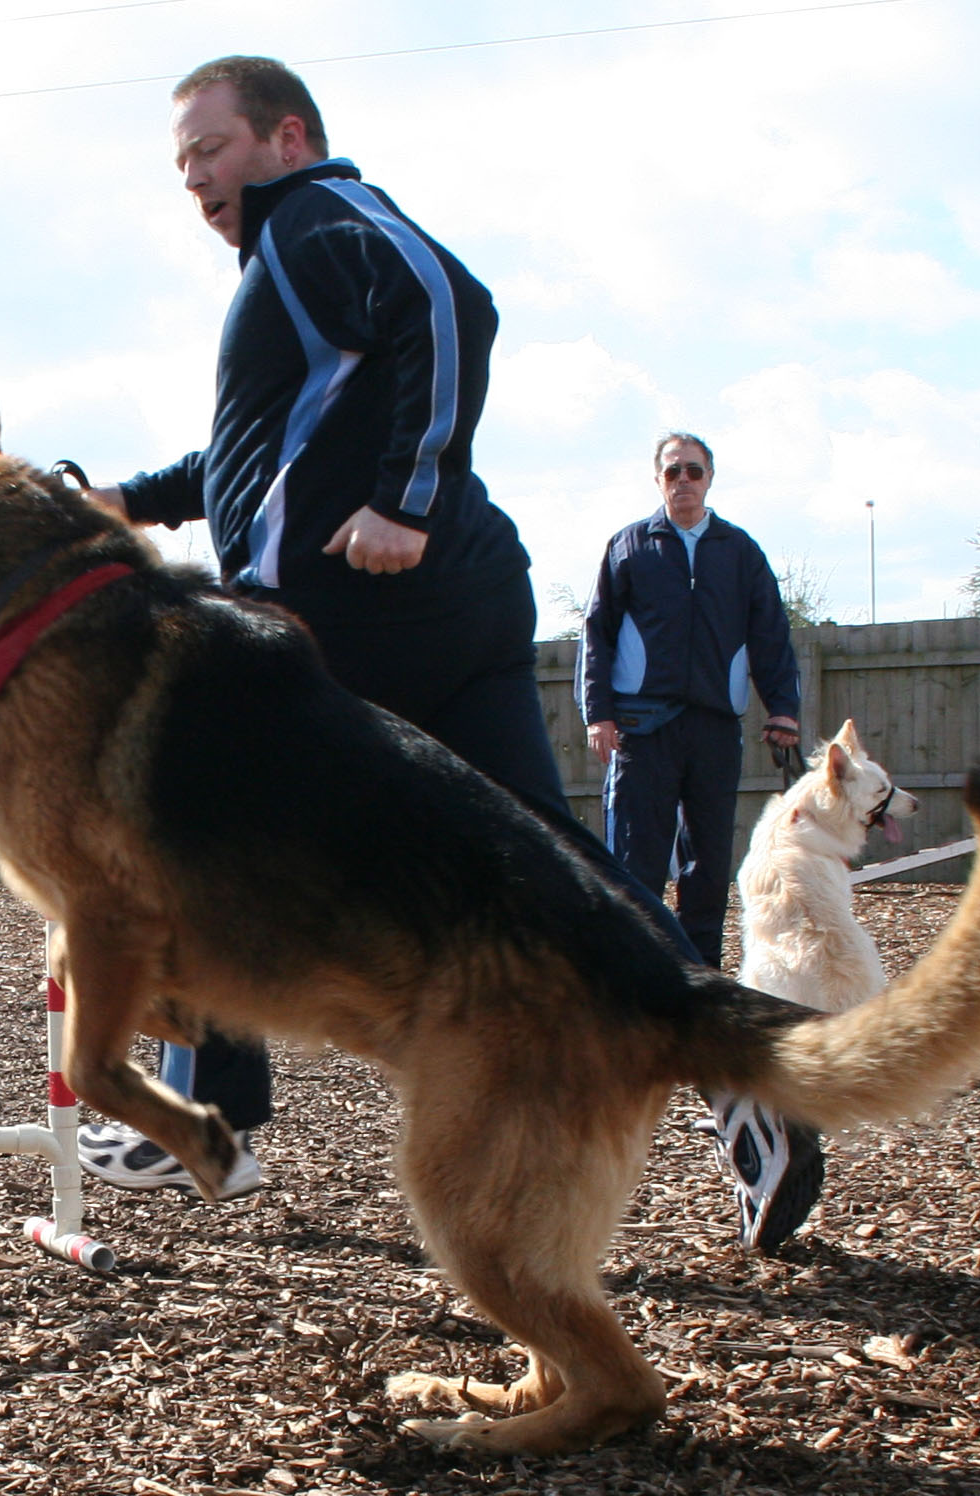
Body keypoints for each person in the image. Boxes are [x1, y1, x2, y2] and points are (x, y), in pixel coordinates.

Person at [76, 56, 706, 1199]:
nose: (195, 181)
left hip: (352, 620)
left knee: (206, 825)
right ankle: (735, 1067)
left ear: (288, 138)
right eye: (181, 166)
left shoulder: (314, 213)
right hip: (444, 608)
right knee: (551, 852)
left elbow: (451, 300)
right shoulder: (288, 267)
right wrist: (130, 499)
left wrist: (402, 498)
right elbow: (256, 457)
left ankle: (210, 1118)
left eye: (210, 150)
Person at [576, 432, 824, 1252]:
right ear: (657, 480)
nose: (684, 482)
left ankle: (698, 990)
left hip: (714, 730)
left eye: (695, 471)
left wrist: (781, 707)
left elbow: (770, 631)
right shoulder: (629, 546)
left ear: (711, 479)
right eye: (672, 472)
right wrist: (599, 710)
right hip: (643, 728)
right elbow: (599, 630)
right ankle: (631, 987)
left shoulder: (737, 551)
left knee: (708, 865)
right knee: (633, 864)